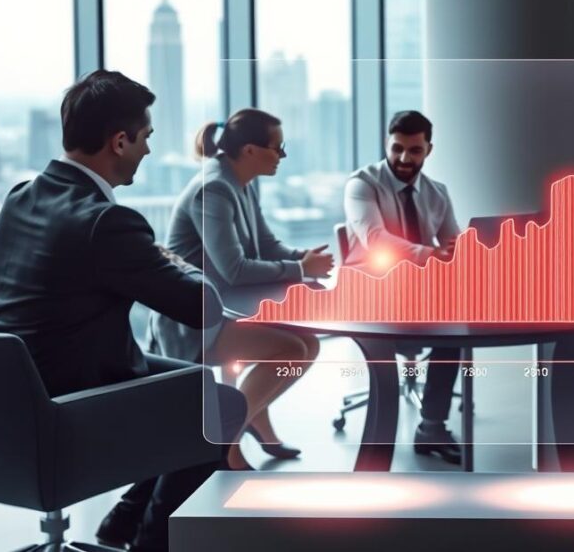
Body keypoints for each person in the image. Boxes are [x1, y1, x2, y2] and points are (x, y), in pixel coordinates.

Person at [0, 70, 246, 552]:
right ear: (120, 141)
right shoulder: (105, 221)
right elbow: (205, 307)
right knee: (219, 409)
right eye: (145, 137)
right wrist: (170, 257)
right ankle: (149, 542)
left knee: (197, 388)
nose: (148, 150)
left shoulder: (21, 197)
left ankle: (122, 525)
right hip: (71, 411)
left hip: (8, 403)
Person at [149, 109, 332, 470]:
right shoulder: (214, 188)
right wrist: (298, 269)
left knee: (307, 341)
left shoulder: (240, 182)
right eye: (277, 148)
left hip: (225, 308)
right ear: (250, 150)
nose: (281, 156)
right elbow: (232, 269)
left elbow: (264, 245)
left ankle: (253, 416)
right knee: (293, 350)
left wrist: (303, 259)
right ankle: (225, 440)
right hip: (195, 322)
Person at [342, 110, 463, 464]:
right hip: (371, 296)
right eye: (397, 149)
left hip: (417, 297)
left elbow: (453, 243)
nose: (404, 158)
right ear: (387, 144)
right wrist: (432, 253)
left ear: (429, 149)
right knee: (444, 325)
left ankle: (431, 428)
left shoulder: (437, 193)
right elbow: (375, 239)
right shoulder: (361, 184)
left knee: (454, 328)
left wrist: (461, 251)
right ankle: (380, 436)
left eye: (414, 150)